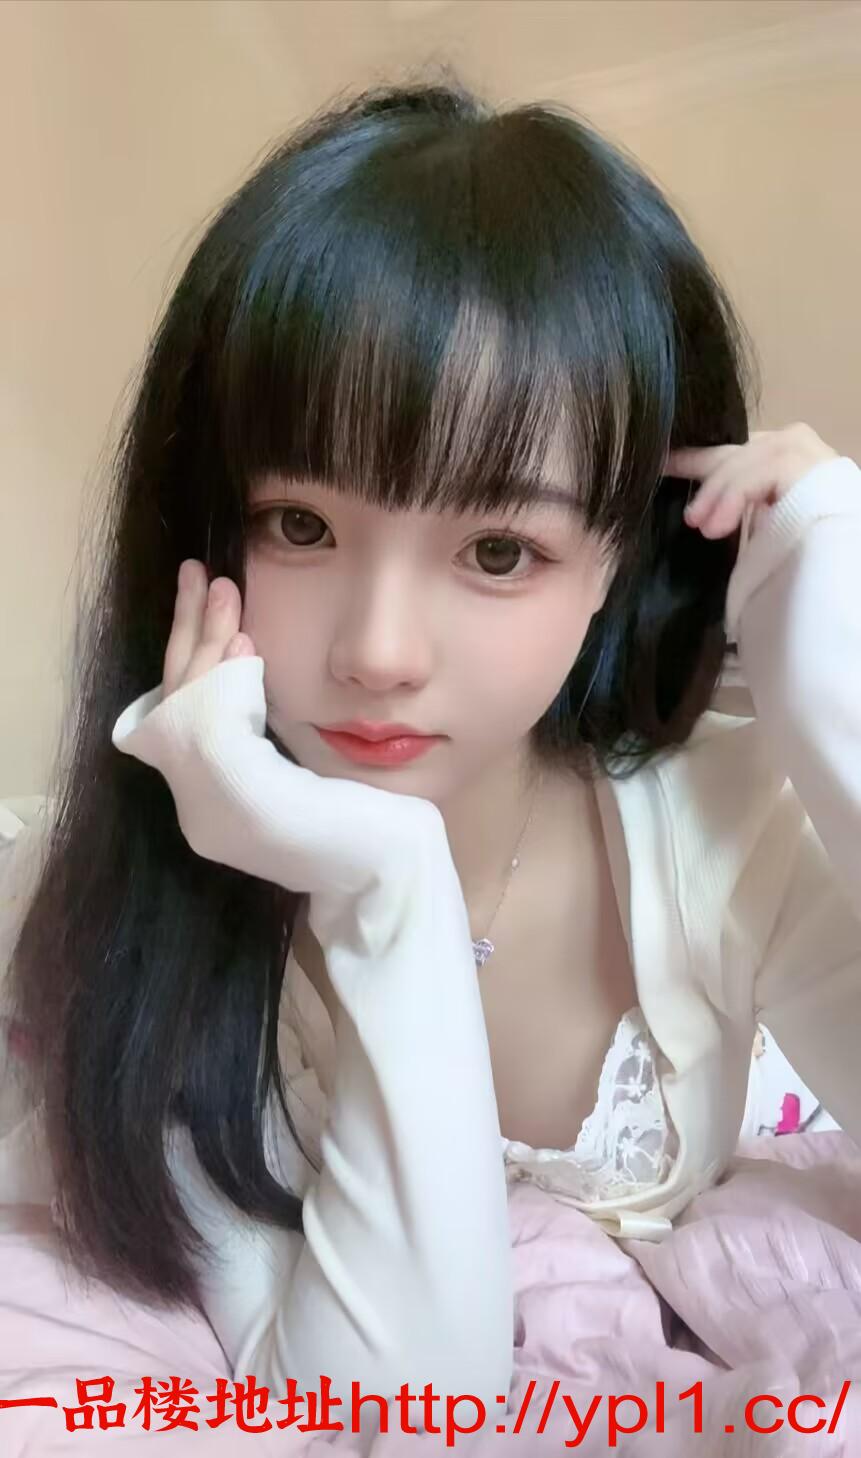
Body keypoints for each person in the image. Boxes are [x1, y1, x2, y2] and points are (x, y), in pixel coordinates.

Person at [1, 74, 859, 1431]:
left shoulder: (722, 821)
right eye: (299, 526)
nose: (380, 651)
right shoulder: (144, 918)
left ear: (618, 561)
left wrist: (833, 703)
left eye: (499, 550)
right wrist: (384, 882)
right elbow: (396, 1414)